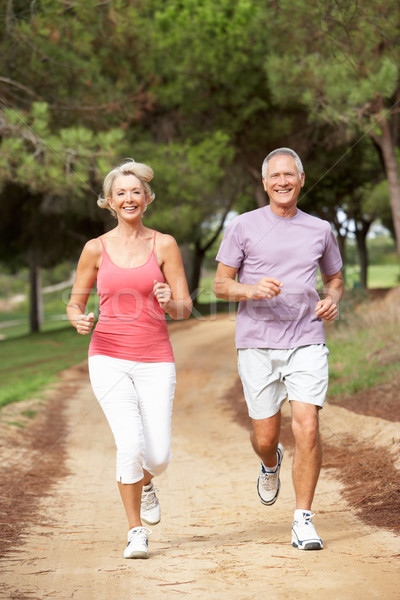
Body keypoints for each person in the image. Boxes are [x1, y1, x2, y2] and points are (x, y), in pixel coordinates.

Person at [213, 148, 343, 550]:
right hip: (257, 344)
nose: (283, 182)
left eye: (290, 174)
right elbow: (220, 284)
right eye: (275, 176)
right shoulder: (243, 226)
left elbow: (335, 279)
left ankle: (303, 518)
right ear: (265, 183)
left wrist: (332, 299)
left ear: (302, 179)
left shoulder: (320, 229)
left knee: (308, 426)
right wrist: (251, 290)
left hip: (306, 339)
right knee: (266, 436)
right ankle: (270, 462)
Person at [67, 159, 192, 559]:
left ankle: (147, 481)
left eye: (135, 191)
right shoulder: (95, 249)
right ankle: (135, 531)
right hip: (107, 356)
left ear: (147, 198)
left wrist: (170, 301)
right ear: (108, 201)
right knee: (130, 443)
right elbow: (74, 301)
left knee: (158, 456)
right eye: (120, 193)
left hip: (156, 356)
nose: (128, 198)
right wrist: (78, 319)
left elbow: (186, 308)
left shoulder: (165, 244)